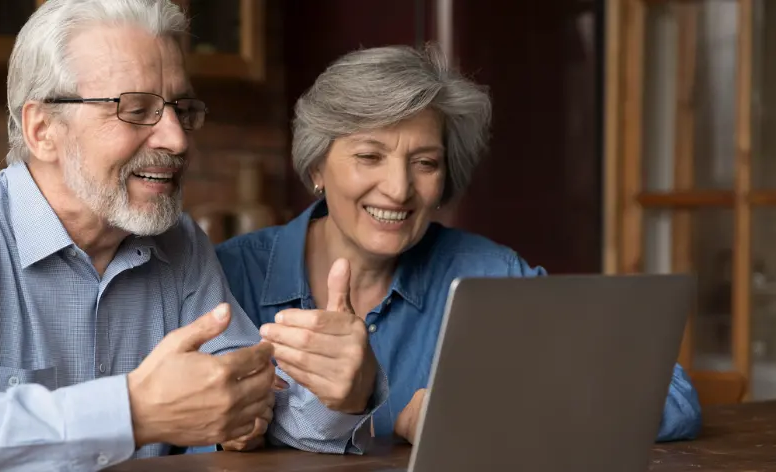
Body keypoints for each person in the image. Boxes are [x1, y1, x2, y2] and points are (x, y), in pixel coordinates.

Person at [0, 1, 387, 470]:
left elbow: (257, 407)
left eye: (182, 109)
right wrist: (132, 411)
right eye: (135, 110)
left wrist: (341, 391)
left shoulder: (179, 243)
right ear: (42, 129)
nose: (176, 139)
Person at [215, 44, 703, 445]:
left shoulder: (489, 274)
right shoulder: (230, 275)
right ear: (317, 166)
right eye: (369, 156)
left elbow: (672, 397)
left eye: (425, 163)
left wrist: (479, 413)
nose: (399, 189)